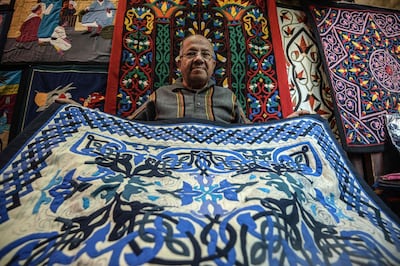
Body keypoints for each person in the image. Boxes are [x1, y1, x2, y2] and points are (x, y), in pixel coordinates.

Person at [128, 34, 249, 123]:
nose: (198, 59)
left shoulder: (228, 97)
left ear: (213, 65)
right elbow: (129, 129)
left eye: (206, 54)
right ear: (179, 64)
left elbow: (249, 135)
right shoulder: (160, 95)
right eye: (191, 53)